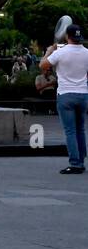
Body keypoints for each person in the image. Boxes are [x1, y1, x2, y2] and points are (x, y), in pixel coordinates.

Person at [41, 24, 88, 175]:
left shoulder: (61, 52)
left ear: (67, 36)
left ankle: (75, 164)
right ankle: (81, 160)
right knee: (81, 129)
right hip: (83, 94)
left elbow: (43, 65)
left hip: (66, 94)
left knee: (70, 131)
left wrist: (49, 51)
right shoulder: (87, 52)